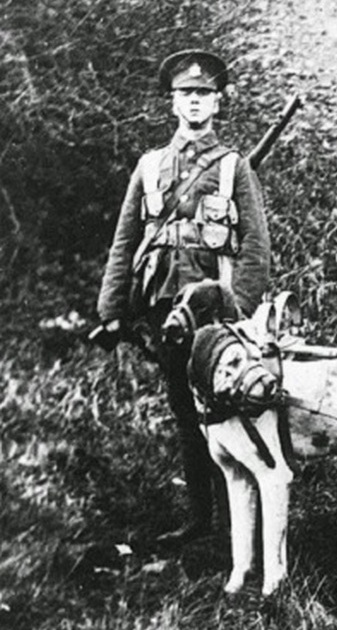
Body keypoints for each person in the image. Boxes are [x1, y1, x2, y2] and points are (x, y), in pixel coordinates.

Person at [92, 50, 271, 546]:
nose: (194, 102)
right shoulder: (150, 165)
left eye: (203, 94)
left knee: (227, 411)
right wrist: (111, 310)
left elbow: (256, 245)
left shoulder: (233, 167)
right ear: (172, 103)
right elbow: (125, 241)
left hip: (213, 313)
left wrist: (238, 309)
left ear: (218, 103)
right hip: (163, 307)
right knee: (185, 413)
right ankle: (200, 521)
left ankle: (238, 528)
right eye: (186, 94)